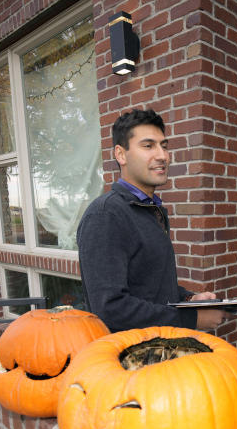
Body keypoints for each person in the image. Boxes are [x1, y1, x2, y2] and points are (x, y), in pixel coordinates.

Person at [76, 109, 226, 332]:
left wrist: (189, 299)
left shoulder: (151, 209)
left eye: (164, 146)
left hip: (160, 351)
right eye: (148, 146)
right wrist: (192, 319)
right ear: (121, 154)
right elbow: (110, 309)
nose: (162, 155)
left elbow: (150, 286)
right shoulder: (106, 216)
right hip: (129, 360)